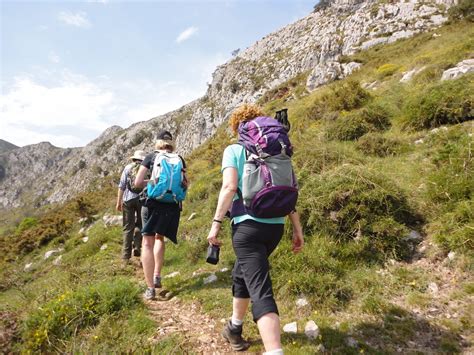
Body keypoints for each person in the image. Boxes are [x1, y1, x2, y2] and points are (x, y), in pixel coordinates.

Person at [207, 104, 304, 354]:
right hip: (275, 228)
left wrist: (215, 225)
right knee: (243, 274)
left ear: (237, 127)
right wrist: (297, 230)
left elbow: (229, 188)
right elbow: (288, 188)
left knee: (260, 289)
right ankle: (234, 328)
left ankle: (274, 350)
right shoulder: (278, 149)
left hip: (246, 229)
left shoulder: (234, 150)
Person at [134, 130, 188, 300]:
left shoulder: (151, 157)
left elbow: (136, 183)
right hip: (171, 204)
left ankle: (150, 288)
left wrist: (151, 182)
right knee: (160, 238)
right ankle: (157, 275)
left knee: (147, 242)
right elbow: (185, 183)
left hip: (152, 203)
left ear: (157, 142)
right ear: (171, 143)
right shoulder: (179, 158)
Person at [116, 150, 146, 266]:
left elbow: (121, 185)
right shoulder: (146, 168)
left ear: (133, 158)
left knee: (128, 228)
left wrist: (118, 202)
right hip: (142, 199)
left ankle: (125, 257)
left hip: (128, 200)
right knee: (141, 225)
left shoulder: (128, 168)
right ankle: (137, 246)